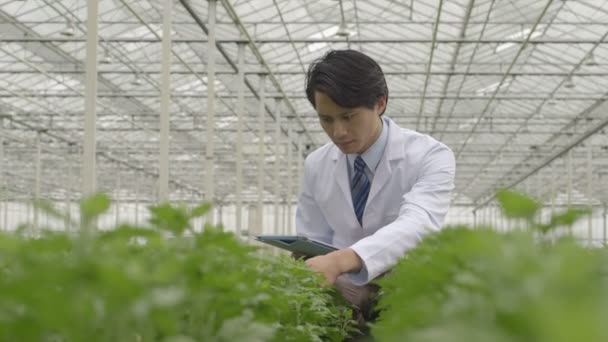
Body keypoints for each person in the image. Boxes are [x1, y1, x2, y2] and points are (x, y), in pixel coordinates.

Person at [295, 49, 456, 330]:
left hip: (408, 290)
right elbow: (313, 236)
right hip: (344, 292)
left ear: (380, 103)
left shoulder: (431, 155)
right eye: (327, 120)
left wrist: (344, 259)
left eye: (348, 117)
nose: (338, 132)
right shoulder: (316, 164)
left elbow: (418, 223)